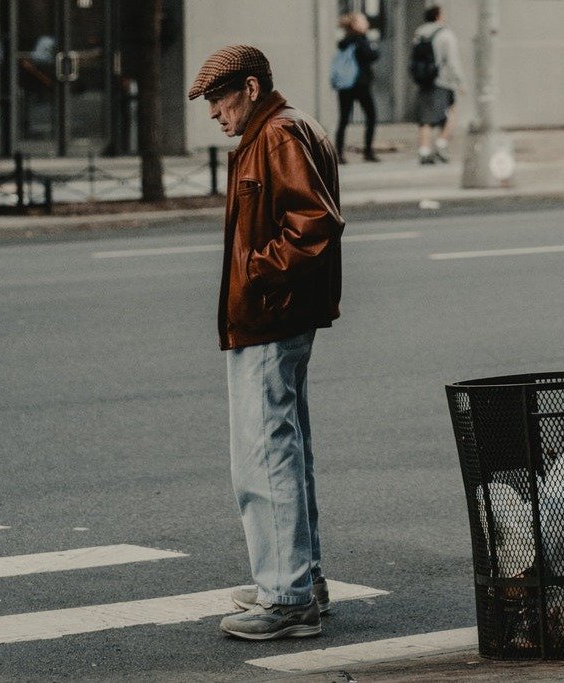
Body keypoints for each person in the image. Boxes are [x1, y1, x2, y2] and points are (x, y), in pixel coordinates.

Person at [187, 45, 344, 641]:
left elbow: (314, 225)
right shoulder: (286, 128)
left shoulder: (275, 136)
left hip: (270, 317)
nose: (214, 113)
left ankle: (286, 597)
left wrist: (257, 271)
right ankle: (300, 582)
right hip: (280, 316)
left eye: (219, 100)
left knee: (265, 454)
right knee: (285, 448)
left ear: (250, 89)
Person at [413, 5, 464, 165]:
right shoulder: (446, 35)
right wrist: (460, 81)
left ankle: (424, 151)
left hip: (424, 80)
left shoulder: (419, 33)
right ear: (438, 16)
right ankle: (441, 143)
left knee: (426, 118)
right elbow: (452, 61)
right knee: (451, 112)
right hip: (443, 81)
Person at [334, 12, 380, 163]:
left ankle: (339, 154)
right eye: (363, 21)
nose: (366, 23)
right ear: (356, 24)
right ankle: (368, 152)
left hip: (345, 85)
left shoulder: (344, 41)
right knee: (371, 116)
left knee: (343, 119)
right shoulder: (361, 40)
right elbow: (372, 55)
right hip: (360, 84)